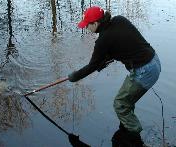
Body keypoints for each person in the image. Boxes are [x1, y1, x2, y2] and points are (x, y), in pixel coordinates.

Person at [68, 6, 161, 147]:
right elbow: (123, 43)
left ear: (96, 23)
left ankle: (134, 137)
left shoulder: (103, 41)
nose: (86, 28)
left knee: (120, 103)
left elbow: (92, 66)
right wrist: (104, 59)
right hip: (154, 61)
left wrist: (74, 76)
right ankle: (126, 126)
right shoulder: (119, 20)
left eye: (88, 25)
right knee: (127, 101)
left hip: (144, 71)